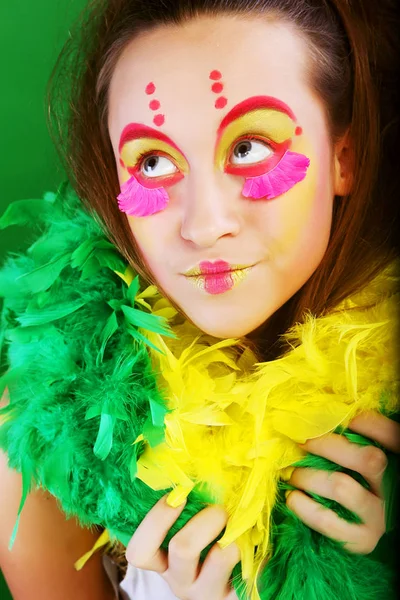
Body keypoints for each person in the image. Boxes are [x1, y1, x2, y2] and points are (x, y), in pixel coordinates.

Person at [0, 1, 399, 599]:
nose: (203, 225)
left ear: (346, 156)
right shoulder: (44, 423)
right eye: (154, 162)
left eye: (249, 148)